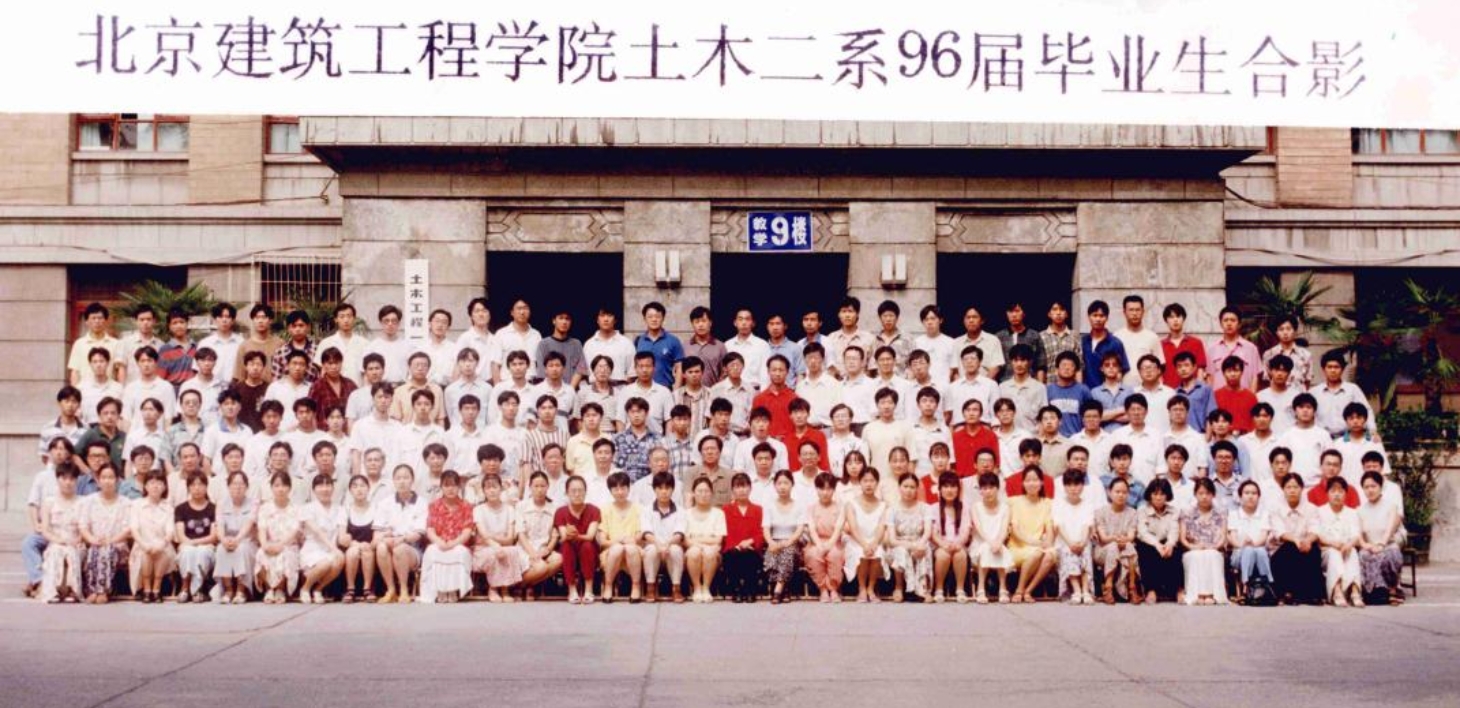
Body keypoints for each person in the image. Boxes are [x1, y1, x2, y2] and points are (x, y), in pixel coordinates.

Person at [1266, 472, 1325, 605]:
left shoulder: (1311, 508)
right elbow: (1280, 533)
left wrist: (1308, 540)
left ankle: (1312, 594)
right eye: (1288, 487)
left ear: (1302, 488)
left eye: (1295, 487)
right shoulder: (1275, 509)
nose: (1292, 490)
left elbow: (1315, 529)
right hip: (1280, 550)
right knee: (1290, 548)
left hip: (1304, 546)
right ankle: (1288, 592)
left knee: (1314, 549)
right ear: (1283, 489)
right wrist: (1297, 541)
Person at [373, 464, 427, 604]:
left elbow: (417, 535)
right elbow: (376, 537)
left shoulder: (422, 503)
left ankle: (403, 590)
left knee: (400, 548)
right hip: (390, 543)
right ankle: (391, 590)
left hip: (413, 549)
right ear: (393, 481)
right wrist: (386, 537)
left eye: (406, 478)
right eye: (398, 478)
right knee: (381, 547)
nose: (402, 481)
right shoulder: (385, 503)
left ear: (412, 480)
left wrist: (401, 539)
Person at [419, 471, 474, 603]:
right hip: (439, 543)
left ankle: (453, 589)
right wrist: (440, 542)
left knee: (459, 552)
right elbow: (430, 529)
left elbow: (467, 531)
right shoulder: (434, 505)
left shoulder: (466, 506)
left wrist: (453, 543)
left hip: (459, 543)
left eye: (454, 485)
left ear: (459, 487)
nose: (450, 489)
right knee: (432, 551)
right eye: (447, 485)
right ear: (441, 487)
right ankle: (439, 590)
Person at [78, 463, 130, 604]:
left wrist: (111, 540)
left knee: (107, 550)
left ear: (117, 480)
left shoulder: (125, 503)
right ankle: (92, 590)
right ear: (98, 480)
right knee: (95, 550)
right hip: (94, 543)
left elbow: (127, 529)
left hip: (118, 545)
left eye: (111, 477)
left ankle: (102, 591)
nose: (107, 481)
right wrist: (92, 539)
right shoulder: (89, 501)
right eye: (104, 477)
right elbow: (83, 526)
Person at [37, 463, 84, 603]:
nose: (68, 482)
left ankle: (72, 590)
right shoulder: (49, 502)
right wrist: (59, 540)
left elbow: (86, 528)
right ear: (57, 479)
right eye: (64, 478)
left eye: (72, 479)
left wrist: (77, 540)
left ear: (76, 480)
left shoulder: (83, 502)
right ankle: (54, 591)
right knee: (57, 550)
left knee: (71, 551)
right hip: (56, 541)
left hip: (77, 542)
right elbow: (45, 529)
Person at [1007, 467, 1056, 602]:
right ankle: (1019, 589)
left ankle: (1028, 590)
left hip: (1039, 546)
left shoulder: (1047, 503)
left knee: (1050, 555)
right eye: (1028, 480)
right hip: (1018, 547)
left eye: (1035, 480)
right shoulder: (1014, 501)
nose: (1032, 484)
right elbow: (1015, 529)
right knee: (1037, 553)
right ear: (1023, 483)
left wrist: (1048, 543)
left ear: (1041, 483)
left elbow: (1049, 527)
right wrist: (1034, 543)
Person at [1315, 476, 1365, 607]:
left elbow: (1356, 535)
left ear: (1345, 494)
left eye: (1340, 491)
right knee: (1334, 553)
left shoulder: (1352, 513)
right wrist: (1333, 543)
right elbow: (1318, 535)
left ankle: (1355, 591)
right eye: (1333, 491)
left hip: (1346, 548)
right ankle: (1336, 591)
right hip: (1327, 550)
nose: (1337, 494)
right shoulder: (1319, 511)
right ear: (1327, 493)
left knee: (1353, 552)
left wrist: (1349, 544)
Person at [1357, 471, 1405, 605]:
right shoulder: (1360, 510)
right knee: (1364, 555)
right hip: (1370, 546)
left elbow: (1390, 530)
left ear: (1381, 487)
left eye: (1373, 486)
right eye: (1366, 487)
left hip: (1387, 544)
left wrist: (1381, 544)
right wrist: (1366, 545)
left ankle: (1392, 589)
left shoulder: (1391, 506)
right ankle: (1373, 591)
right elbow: (1359, 534)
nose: (1370, 490)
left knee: (1391, 553)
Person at [253, 472, 302, 604]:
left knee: (286, 554)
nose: (281, 489)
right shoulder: (265, 508)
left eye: (284, 485)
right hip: (269, 543)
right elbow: (262, 529)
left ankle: (280, 589)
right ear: (271, 488)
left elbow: (295, 531)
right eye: (277, 485)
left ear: (290, 488)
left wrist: (280, 545)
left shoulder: (296, 508)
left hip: (288, 545)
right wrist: (264, 544)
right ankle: (269, 588)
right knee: (261, 554)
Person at [129, 470, 177, 603]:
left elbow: (170, 531)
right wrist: (144, 545)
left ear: (165, 487)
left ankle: (156, 589)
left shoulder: (168, 507)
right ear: (145, 486)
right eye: (151, 483)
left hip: (163, 545)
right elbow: (134, 529)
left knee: (162, 551)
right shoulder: (137, 505)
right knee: (146, 553)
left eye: (159, 483)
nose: (155, 486)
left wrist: (161, 544)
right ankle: (146, 589)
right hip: (141, 544)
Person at [884, 472, 932, 602]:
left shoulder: (925, 508)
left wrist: (920, 544)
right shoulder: (892, 510)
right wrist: (911, 546)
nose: (909, 490)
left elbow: (927, 532)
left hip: (919, 541)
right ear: (899, 487)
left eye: (912, 487)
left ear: (917, 489)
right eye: (905, 486)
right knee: (901, 550)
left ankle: (923, 589)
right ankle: (899, 587)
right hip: (899, 543)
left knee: (925, 548)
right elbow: (892, 540)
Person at [842, 467, 887, 603]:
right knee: (860, 552)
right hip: (856, 540)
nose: (868, 484)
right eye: (865, 481)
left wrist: (873, 543)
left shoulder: (884, 505)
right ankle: (861, 588)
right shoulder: (851, 504)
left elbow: (881, 527)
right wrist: (864, 544)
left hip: (875, 540)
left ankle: (871, 588)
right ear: (860, 483)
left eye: (872, 481)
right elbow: (853, 528)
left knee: (878, 552)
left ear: (877, 483)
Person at [1180, 478, 1228, 606]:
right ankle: (1197, 594)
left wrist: (1213, 547)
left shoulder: (1221, 513)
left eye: (1208, 493)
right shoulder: (1187, 512)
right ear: (1195, 494)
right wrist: (1193, 547)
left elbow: (1223, 537)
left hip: (1214, 548)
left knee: (1212, 555)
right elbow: (1183, 539)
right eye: (1201, 493)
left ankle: (1212, 594)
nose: (1204, 497)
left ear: (1213, 494)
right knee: (1195, 556)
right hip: (1193, 548)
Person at [297, 475, 344, 604]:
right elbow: (318, 532)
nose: (325, 489)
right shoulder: (307, 508)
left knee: (340, 559)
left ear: (333, 488)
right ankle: (305, 588)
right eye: (320, 486)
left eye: (328, 485)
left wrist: (346, 540)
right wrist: (334, 549)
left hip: (331, 549)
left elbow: (342, 532)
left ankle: (318, 589)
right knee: (326, 563)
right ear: (314, 490)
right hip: (312, 550)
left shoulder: (340, 509)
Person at [555, 474, 602, 604]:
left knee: (587, 545)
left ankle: (588, 589)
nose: (577, 494)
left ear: (585, 492)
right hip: (569, 547)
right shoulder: (560, 512)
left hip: (588, 548)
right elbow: (564, 536)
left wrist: (576, 535)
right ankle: (572, 589)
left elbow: (590, 536)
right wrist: (569, 534)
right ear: (567, 493)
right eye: (573, 491)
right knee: (566, 546)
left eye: (580, 490)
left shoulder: (594, 510)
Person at [516, 471, 563, 600]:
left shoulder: (554, 508)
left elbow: (555, 535)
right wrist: (532, 553)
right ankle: (523, 586)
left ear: (548, 487)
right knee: (541, 567)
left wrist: (548, 549)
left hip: (544, 549)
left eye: (542, 486)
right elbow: (520, 533)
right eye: (536, 486)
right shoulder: (521, 506)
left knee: (558, 559)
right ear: (530, 487)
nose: (539, 490)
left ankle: (525, 585)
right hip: (524, 548)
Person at [641, 471, 686, 604]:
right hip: (654, 546)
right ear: (654, 489)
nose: (664, 492)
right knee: (651, 550)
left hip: (671, 547)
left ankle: (676, 588)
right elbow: (647, 533)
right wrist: (659, 545)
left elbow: (679, 534)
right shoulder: (646, 510)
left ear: (673, 489)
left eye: (667, 488)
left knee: (675, 549)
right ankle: (650, 587)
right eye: (660, 488)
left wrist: (667, 545)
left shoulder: (681, 510)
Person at [1053, 470, 1097, 604]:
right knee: (1068, 551)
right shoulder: (1058, 503)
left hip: (1083, 539)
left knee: (1085, 550)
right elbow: (1059, 526)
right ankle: (1076, 590)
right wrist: (1070, 543)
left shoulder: (1088, 503)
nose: (1073, 488)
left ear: (1082, 486)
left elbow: (1087, 525)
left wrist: (1082, 542)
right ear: (1064, 486)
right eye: (1069, 485)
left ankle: (1085, 590)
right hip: (1064, 540)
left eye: (1077, 484)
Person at [1093, 476, 1140, 604]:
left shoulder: (1133, 513)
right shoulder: (1100, 512)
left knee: (1129, 546)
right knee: (1114, 546)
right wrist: (1116, 539)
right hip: (1103, 550)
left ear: (1128, 494)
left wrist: (1124, 540)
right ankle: (1108, 587)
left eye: (1124, 492)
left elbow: (1131, 536)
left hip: (1124, 547)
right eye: (1117, 492)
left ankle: (1132, 587)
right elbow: (1103, 538)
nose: (1121, 495)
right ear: (1109, 492)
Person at [721, 472, 765, 603]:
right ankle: (736, 590)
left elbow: (762, 533)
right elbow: (724, 534)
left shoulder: (758, 510)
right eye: (738, 487)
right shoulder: (726, 510)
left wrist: (751, 541)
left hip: (752, 549)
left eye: (744, 486)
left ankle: (750, 589)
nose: (741, 490)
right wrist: (737, 546)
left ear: (750, 488)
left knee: (749, 555)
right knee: (733, 555)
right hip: (732, 549)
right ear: (732, 490)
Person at [1136, 478, 1182, 603]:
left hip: (1166, 541)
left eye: (1162, 494)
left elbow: (1174, 530)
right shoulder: (1142, 510)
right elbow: (1142, 532)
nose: (1158, 497)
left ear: (1167, 495)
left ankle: (1178, 589)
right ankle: (1151, 590)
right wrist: (1157, 545)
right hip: (1150, 543)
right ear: (1150, 495)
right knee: (1146, 551)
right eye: (1155, 494)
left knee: (1176, 551)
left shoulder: (1174, 511)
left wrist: (1170, 544)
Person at [1227, 480, 1274, 603]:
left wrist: (1253, 544)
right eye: (1247, 493)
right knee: (1248, 551)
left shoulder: (1264, 514)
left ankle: (1265, 584)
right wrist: (1243, 545)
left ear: (1259, 496)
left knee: (1259, 551)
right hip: (1238, 553)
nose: (1250, 496)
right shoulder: (1234, 514)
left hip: (1259, 550)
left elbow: (1264, 536)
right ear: (1240, 496)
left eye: (1254, 493)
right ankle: (1246, 585)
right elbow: (1232, 538)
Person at [760, 470, 803, 604]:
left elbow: (799, 529)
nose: (782, 486)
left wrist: (788, 542)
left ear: (792, 484)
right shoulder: (769, 505)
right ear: (775, 485)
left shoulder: (799, 505)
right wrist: (771, 543)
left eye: (786, 483)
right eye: (779, 483)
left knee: (787, 552)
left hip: (793, 542)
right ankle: (785, 587)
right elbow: (766, 528)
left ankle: (777, 590)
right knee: (771, 556)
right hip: (774, 541)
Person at [683, 476, 727, 603]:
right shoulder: (686, 514)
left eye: (706, 491)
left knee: (709, 552)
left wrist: (697, 539)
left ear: (711, 493)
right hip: (692, 551)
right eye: (700, 491)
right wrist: (705, 542)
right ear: (693, 493)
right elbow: (686, 540)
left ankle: (706, 587)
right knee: (694, 552)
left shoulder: (718, 513)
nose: (703, 494)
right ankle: (697, 587)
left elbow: (718, 540)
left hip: (713, 553)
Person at [928, 472, 972, 603]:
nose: (949, 490)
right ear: (940, 489)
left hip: (959, 545)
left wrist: (958, 544)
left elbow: (966, 530)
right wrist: (943, 544)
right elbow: (933, 533)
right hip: (940, 545)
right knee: (943, 555)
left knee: (960, 555)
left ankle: (960, 589)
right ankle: (939, 589)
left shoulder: (964, 508)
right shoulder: (933, 508)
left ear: (958, 489)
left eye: (953, 486)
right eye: (946, 486)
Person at [174, 473, 218, 603]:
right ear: (188, 487)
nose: (197, 488)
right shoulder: (180, 509)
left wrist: (195, 542)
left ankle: (198, 589)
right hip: (187, 544)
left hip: (207, 545)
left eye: (200, 484)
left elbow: (213, 536)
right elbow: (181, 535)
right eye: (193, 485)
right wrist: (190, 543)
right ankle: (185, 587)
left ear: (206, 486)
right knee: (188, 551)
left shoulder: (213, 508)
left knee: (202, 552)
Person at [802, 472, 846, 603]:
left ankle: (833, 589)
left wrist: (830, 544)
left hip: (834, 541)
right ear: (816, 489)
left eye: (829, 489)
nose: (825, 493)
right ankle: (823, 589)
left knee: (835, 555)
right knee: (813, 555)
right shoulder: (811, 508)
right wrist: (820, 545)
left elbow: (838, 529)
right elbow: (812, 530)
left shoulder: (840, 507)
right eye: (821, 488)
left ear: (834, 489)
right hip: (816, 542)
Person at [336, 475, 378, 604]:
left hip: (370, 548)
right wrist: (354, 544)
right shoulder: (345, 509)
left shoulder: (376, 508)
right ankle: (350, 588)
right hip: (351, 547)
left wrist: (369, 545)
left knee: (367, 551)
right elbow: (341, 538)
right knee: (353, 552)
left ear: (368, 488)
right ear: (350, 490)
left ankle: (368, 588)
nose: (359, 489)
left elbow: (377, 536)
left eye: (362, 486)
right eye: (355, 486)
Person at [1113, 295, 1163, 388]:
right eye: (1131, 310)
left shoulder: (1152, 337)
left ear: (1143, 312)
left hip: (1147, 389)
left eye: (1137, 310)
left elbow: (1160, 367)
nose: (1134, 313)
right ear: (1124, 312)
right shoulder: (1117, 337)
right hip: (1122, 389)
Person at [1207, 307, 1260, 391]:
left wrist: (1252, 397)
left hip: (1244, 397)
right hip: (1219, 398)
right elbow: (1209, 378)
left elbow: (1254, 377)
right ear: (1221, 324)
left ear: (1239, 324)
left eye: (1233, 320)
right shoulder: (1212, 349)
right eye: (1225, 320)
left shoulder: (1251, 349)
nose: (1229, 323)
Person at [316, 303, 370, 386]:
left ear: (354, 318)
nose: (346, 320)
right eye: (342, 316)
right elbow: (322, 370)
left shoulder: (364, 343)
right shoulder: (326, 343)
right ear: (336, 319)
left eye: (349, 316)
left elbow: (367, 371)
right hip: (332, 389)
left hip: (358, 387)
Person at [68, 302, 121, 386]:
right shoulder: (79, 344)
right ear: (86, 322)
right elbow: (75, 372)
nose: (97, 321)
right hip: (85, 390)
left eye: (100, 318)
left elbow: (119, 371)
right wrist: (75, 391)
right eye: (93, 318)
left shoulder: (116, 344)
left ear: (106, 321)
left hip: (109, 391)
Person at [636, 301, 684, 389]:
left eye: (657, 316)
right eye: (650, 317)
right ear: (644, 319)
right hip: (642, 389)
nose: (654, 319)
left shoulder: (673, 341)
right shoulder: (639, 341)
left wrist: (676, 391)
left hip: (666, 388)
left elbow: (679, 367)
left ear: (663, 318)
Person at [1160, 303, 1205, 390]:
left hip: (1191, 391)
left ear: (1183, 319)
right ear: (1166, 320)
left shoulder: (1196, 343)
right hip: (1169, 391)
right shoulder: (1161, 345)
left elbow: (1200, 370)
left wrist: (1198, 391)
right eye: (1171, 317)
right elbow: (1159, 373)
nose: (1175, 320)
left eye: (1178, 316)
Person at [1262, 316, 1314, 390]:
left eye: (1288, 329)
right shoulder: (1269, 354)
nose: (1285, 333)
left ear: (1295, 331)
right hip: (1277, 395)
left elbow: (1307, 381)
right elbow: (1268, 380)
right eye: (1281, 329)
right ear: (1276, 332)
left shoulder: (1306, 355)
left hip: (1299, 395)